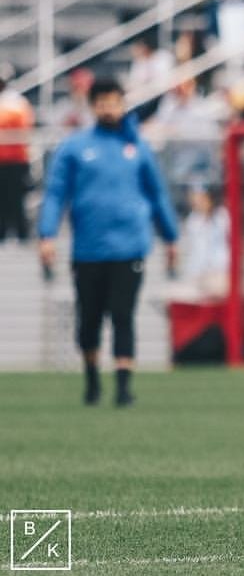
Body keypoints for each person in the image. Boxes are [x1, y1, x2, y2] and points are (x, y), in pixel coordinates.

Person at [38, 79, 179, 407]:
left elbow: (157, 195)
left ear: (122, 103)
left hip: (129, 247)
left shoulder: (137, 147)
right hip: (88, 250)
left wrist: (171, 238)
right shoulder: (74, 147)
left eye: (114, 102)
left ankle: (124, 387)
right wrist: (47, 234)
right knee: (89, 319)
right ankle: (91, 381)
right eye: (102, 103)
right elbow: (56, 194)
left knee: (123, 315)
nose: (109, 109)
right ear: (92, 105)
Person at [0, 62, 34, 243]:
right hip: (5, 159)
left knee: (16, 199)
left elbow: (19, 127)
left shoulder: (16, 102)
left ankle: (21, 234)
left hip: (14, 159)